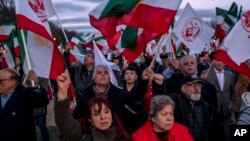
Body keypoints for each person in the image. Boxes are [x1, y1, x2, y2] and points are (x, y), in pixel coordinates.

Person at [55, 95, 132, 141]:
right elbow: (63, 122)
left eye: (106, 111)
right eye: (97, 113)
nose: (103, 117)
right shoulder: (83, 136)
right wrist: (62, 93)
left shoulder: (124, 138)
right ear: (90, 120)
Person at [0, 68, 48, 141]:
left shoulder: (25, 93)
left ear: (13, 81)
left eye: (1, 81)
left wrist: (35, 86)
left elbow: (41, 102)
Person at [169, 75, 214, 141]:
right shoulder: (175, 102)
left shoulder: (207, 107)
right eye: (193, 85)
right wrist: (160, 87)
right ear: (183, 88)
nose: (197, 88)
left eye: (199, 86)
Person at [204, 59, 236, 141]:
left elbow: (233, 92)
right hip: (212, 109)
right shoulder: (206, 73)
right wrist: (203, 80)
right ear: (213, 62)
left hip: (226, 110)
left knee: (225, 134)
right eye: (217, 61)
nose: (220, 63)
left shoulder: (230, 75)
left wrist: (231, 105)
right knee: (212, 133)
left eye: (222, 61)